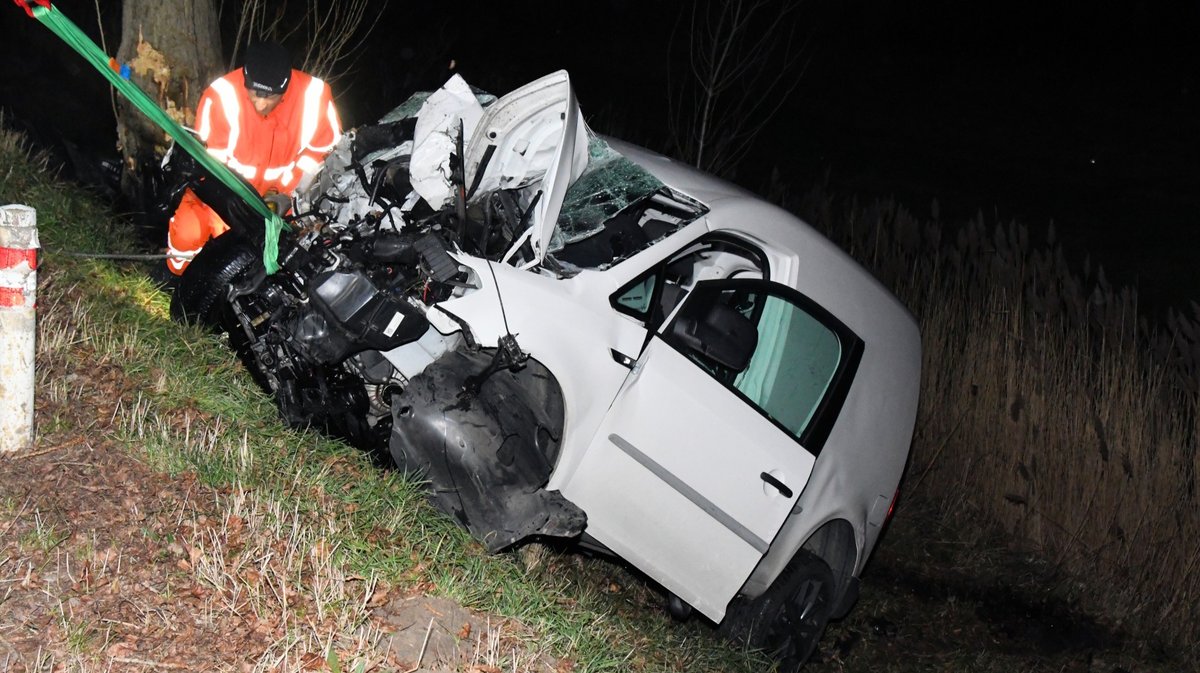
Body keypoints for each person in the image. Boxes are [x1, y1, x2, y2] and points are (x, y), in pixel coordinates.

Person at [166, 41, 342, 275]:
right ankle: (175, 277)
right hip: (225, 195)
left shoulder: (314, 97)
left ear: (285, 89)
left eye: (268, 96)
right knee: (190, 232)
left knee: (289, 258)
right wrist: (232, 203)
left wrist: (286, 194)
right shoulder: (222, 96)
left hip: (285, 203)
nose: (259, 103)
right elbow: (210, 164)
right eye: (253, 93)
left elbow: (323, 152)